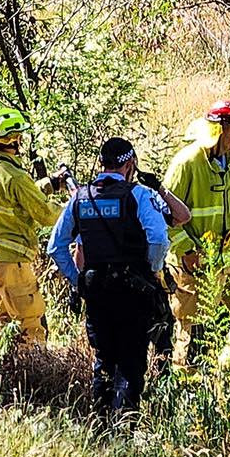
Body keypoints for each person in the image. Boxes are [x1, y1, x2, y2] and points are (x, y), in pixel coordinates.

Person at [48, 137, 172, 417]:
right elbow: (158, 238)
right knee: (130, 362)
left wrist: (78, 279)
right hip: (133, 291)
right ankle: (123, 428)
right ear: (129, 165)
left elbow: (55, 246)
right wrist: (153, 268)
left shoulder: (80, 197)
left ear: (102, 163)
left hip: (95, 291)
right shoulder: (137, 194)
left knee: (104, 361)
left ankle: (100, 425)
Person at [163, 99, 230, 368]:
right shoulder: (187, 163)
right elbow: (164, 213)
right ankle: (188, 391)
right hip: (196, 267)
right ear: (219, 129)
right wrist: (187, 251)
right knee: (196, 336)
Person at [0, 108, 69, 345]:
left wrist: (51, 184)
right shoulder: (15, 176)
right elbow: (45, 213)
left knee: (1, 325)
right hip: (10, 264)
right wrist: (75, 209)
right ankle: (36, 378)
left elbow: (17, 197)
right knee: (30, 327)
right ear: (14, 140)